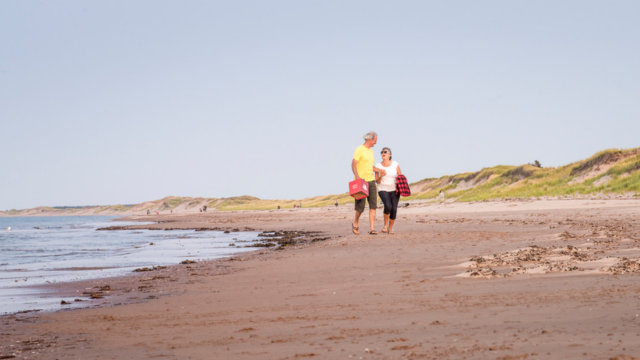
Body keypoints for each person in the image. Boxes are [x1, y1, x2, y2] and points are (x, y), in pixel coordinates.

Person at [352, 131, 384, 235]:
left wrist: (378, 170)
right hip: (361, 182)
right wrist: (357, 177)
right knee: (360, 207)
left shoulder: (371, 152)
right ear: (370, 139)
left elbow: (370, 167)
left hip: (371, 181)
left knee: (373, 205)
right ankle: (355, 222)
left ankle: (372, 229)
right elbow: (353, 164)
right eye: (375, 140)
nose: (376, 142)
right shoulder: (359, 149)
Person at [375, 147, 402, 234]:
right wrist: (380, 175)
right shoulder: (377, 166)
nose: (383, 153)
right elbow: (377, 181)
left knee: (394, 209)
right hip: (383, 189)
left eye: (385, 152)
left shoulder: (395, 164)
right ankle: (385, 225)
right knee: (388, 206)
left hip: (394, 189)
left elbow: (400, 175)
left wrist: (401, 184)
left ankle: (390, 229)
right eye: (382, 152)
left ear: (390, 155)